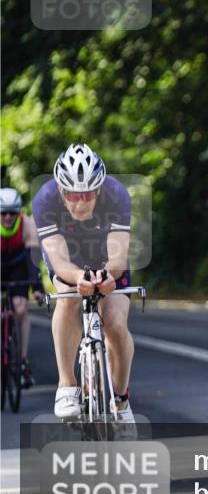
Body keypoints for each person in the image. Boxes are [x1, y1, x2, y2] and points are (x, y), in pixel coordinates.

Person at [32, 144, 136, 431]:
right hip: (70, 257)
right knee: (67, 301)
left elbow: (118, 255)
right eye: (73, 195)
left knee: (115, 322)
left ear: (99, 189)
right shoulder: (45, 200)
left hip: (107, 258)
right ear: (60, 190)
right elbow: (59, 258)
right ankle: (67, 384)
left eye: (88, 195)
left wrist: (108, 275)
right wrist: (78, 278)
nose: (80, 203)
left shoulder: (117, 194)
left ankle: (121, 396)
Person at [0, 188, 46, 387]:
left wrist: (37, 287)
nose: (8, 217)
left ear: (19, 212)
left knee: (20, 309)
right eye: (3, 213)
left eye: (12, 212)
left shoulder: (28, 225)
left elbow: (33, 261)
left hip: (19, 266)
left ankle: (23, 362)